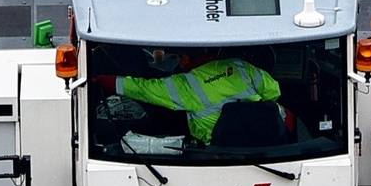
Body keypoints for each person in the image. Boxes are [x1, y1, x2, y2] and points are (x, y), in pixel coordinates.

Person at [97, 53, 282, 144]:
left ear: (186, 58)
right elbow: (274, 92)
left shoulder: (185, 84)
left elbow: (143, 89)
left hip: (220, 151)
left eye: (178, 56)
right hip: (270, 143)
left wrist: (103, 79)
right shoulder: (239, 66)